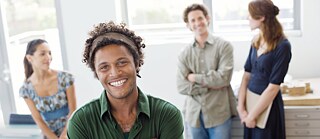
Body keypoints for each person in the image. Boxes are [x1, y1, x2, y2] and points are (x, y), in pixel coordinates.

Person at [67, 21, 184, 139]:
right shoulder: (81, 122)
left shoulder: (167, 115)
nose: (115, 73)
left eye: (122, 62)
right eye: (104, 67)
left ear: (136, 63)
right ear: (96, 73)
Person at [177, 3, 237, 139]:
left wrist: (194, 78)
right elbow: (181, 86)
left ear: (207, 19)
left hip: (219, 114)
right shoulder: (184, 53)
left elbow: (224, 79)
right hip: (194, 116)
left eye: (200, 18)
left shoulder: (224, 46)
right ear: (188, 25)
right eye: (192, 20)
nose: (197, 23)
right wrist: (210, 86)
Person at [237, 0, 292, 139]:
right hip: (250, 105)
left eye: (250, 15)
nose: (247, 18)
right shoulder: (256, 41)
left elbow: (273, 87)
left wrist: (252, 116)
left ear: (261, 18)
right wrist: (241, 108)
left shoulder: (283, 46)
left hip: (267, 108)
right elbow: (246, 76)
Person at [19, 39, 77, 139]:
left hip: (71, 128)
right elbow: (38, 120)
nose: (48, 57)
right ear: (29, 58)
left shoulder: (66, 78)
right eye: (42, 54)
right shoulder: (26, 89)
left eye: (49, 53)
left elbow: (73, 110)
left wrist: (64, 135)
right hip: (49, 134)